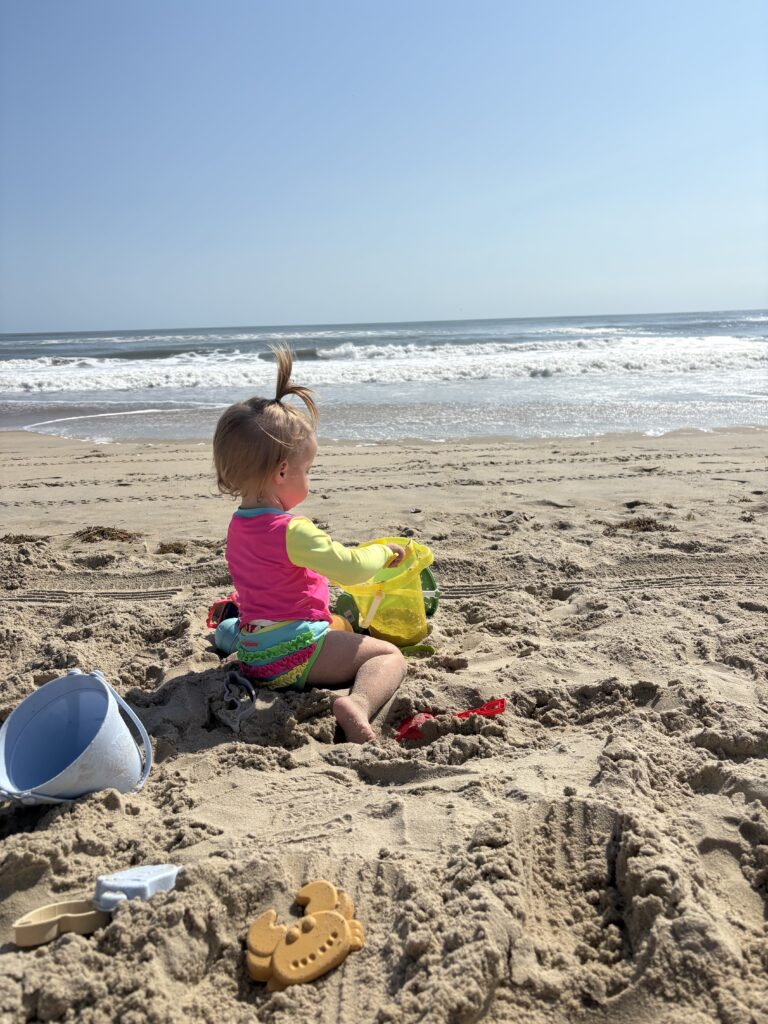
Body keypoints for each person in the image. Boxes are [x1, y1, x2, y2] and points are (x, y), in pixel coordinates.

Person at [212, 346, 407, 743]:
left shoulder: (238, 525)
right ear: (283, 471)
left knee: (330, 624)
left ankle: (223, 632)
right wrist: (383, 553)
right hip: (295, 654)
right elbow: (351, 567)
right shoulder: (291, 530)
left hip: (253, 652)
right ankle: (358, 704)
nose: (310, 479)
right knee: (388, 655)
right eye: (308, 470)